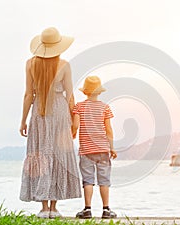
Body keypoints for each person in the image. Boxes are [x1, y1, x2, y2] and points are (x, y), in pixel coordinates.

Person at [19, 27, 81, 219]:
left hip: (39, 112)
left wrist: (23, 121)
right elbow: (70, 95)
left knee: (40, 155)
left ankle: (43, 208)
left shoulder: (30, 64)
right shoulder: (64, 65)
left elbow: (29, 94)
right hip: (60, 112)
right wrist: (74, 121)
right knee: (58, 156)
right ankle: (54, 207)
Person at [72, 76, 117, 219]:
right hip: (103, 149)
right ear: (99, 92)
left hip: (86, 150)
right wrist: (112, 147)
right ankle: (106, 210)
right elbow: (109, 129)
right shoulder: (105, 107)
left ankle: (87, 209)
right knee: (104, 180)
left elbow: (76, 125)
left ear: (85, 92)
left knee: (88, 180)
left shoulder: (79, 106)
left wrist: (72, 133)